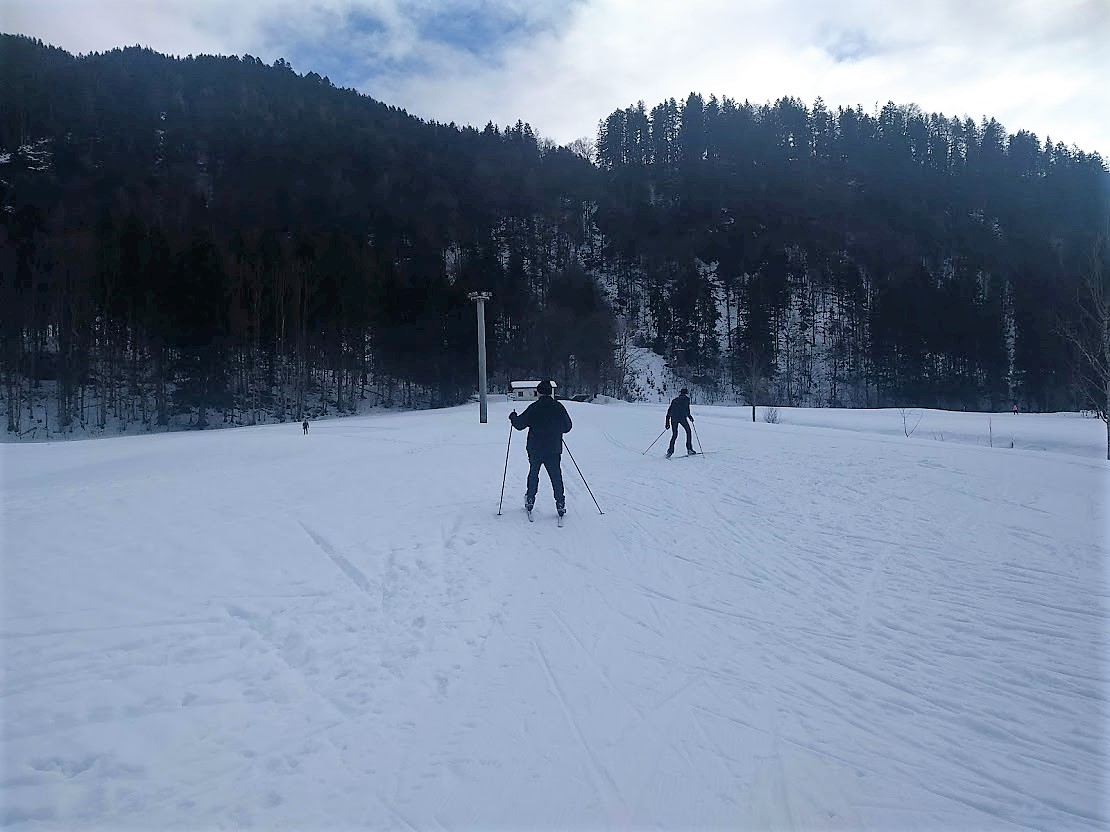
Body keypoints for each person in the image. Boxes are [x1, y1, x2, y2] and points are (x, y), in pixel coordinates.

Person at [509, 379, 573, 516]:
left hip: (535, 448)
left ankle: (530, 499)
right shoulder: (558, 407)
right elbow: (567, 427)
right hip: (553, 448)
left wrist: (513, 417)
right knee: (556, 476)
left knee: (533, 474)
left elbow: (520, 424)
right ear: (550, 392)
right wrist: (556, 428)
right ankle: (560, 502)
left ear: (539, 392)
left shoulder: (534, 407)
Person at [665, 388, 696, 458]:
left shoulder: (674, 400)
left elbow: (669, 411)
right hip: (682, 418)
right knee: (688, 431)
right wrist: (689, 416)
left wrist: (667, 422)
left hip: (674, 418)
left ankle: (670, 452)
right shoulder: (687, 399)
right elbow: (687, 409)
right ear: (686, 393)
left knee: (674, 435)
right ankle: (689, 449)